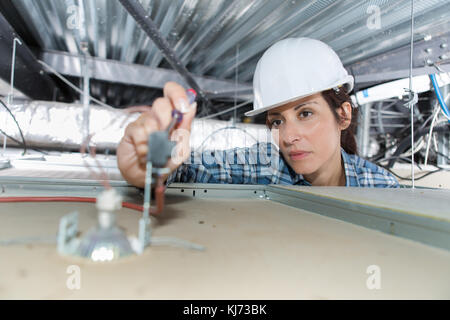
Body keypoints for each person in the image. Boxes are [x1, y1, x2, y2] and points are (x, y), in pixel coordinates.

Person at [117, 37, 399, 188]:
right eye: (277, 120)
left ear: (344, 115)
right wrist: (154, 165)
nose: (288, 136)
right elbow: (188, 171)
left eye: (305, 114)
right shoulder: (268, 167)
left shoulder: (380, 186)